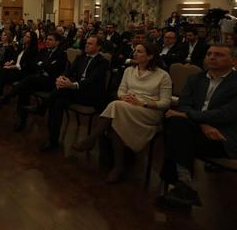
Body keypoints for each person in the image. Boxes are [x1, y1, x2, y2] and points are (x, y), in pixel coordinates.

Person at [73, 43, 172, 183]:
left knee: (115, 107)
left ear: (150, 56)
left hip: (149, 111)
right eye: (135, 51)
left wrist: (142, 103)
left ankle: (91, 139)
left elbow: (166, 103)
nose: (135, 54)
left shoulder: (163, 75)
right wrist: (123, 97)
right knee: (116, 120)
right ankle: (118, 167)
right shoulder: (129, 71)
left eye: (139, 52)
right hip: (126, 107)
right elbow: (121, 90)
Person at [157, 44, 237, 209]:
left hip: (222, 137)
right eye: (209, 54)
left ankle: (180, 186)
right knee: (175, 122)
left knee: (176, 131)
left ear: (233, 60)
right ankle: (184, 185)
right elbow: (184, 105)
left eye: (219, 55)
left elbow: (226, 114)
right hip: (197, 131)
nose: (212, 57)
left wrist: (193, 119)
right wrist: (203, 124)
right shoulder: (195, 79)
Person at [27, 36, 109, 151]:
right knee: (57, 103)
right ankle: (53, 140)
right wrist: (61, 78)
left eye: (90, 44)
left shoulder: (103, 62)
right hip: (75, 91)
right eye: (86, 43)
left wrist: (73, 85)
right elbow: (68, 72)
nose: (86, 45)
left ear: (98, 47)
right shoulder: (80, 57)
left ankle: (41, 108)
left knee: (60, 93)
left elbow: (92, 80)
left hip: (90, 95)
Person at [11, 32, 68, 131]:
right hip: (40, 79)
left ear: (57, 42)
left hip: (50, 82)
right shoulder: (43, 51)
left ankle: (9, 95)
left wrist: (42, 65)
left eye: (50, 40)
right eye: (47, 39)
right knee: (25, 89)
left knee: (29, 79)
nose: (47, 41)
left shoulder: (61, 54)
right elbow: (34, 65)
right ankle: (22, 120)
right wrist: (45, 66)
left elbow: (55, 71)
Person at [0, 30, 39, 110]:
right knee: (1, 72)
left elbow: (25, 66)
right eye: (25, 36)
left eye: (28, 37)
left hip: (23, 73)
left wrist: (12, 67)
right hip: (16, 69)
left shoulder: (33, 50)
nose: (25, 38)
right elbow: (15, 57)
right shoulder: (22, 47)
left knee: (0, 75)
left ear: (32, 39)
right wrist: (10, 62)